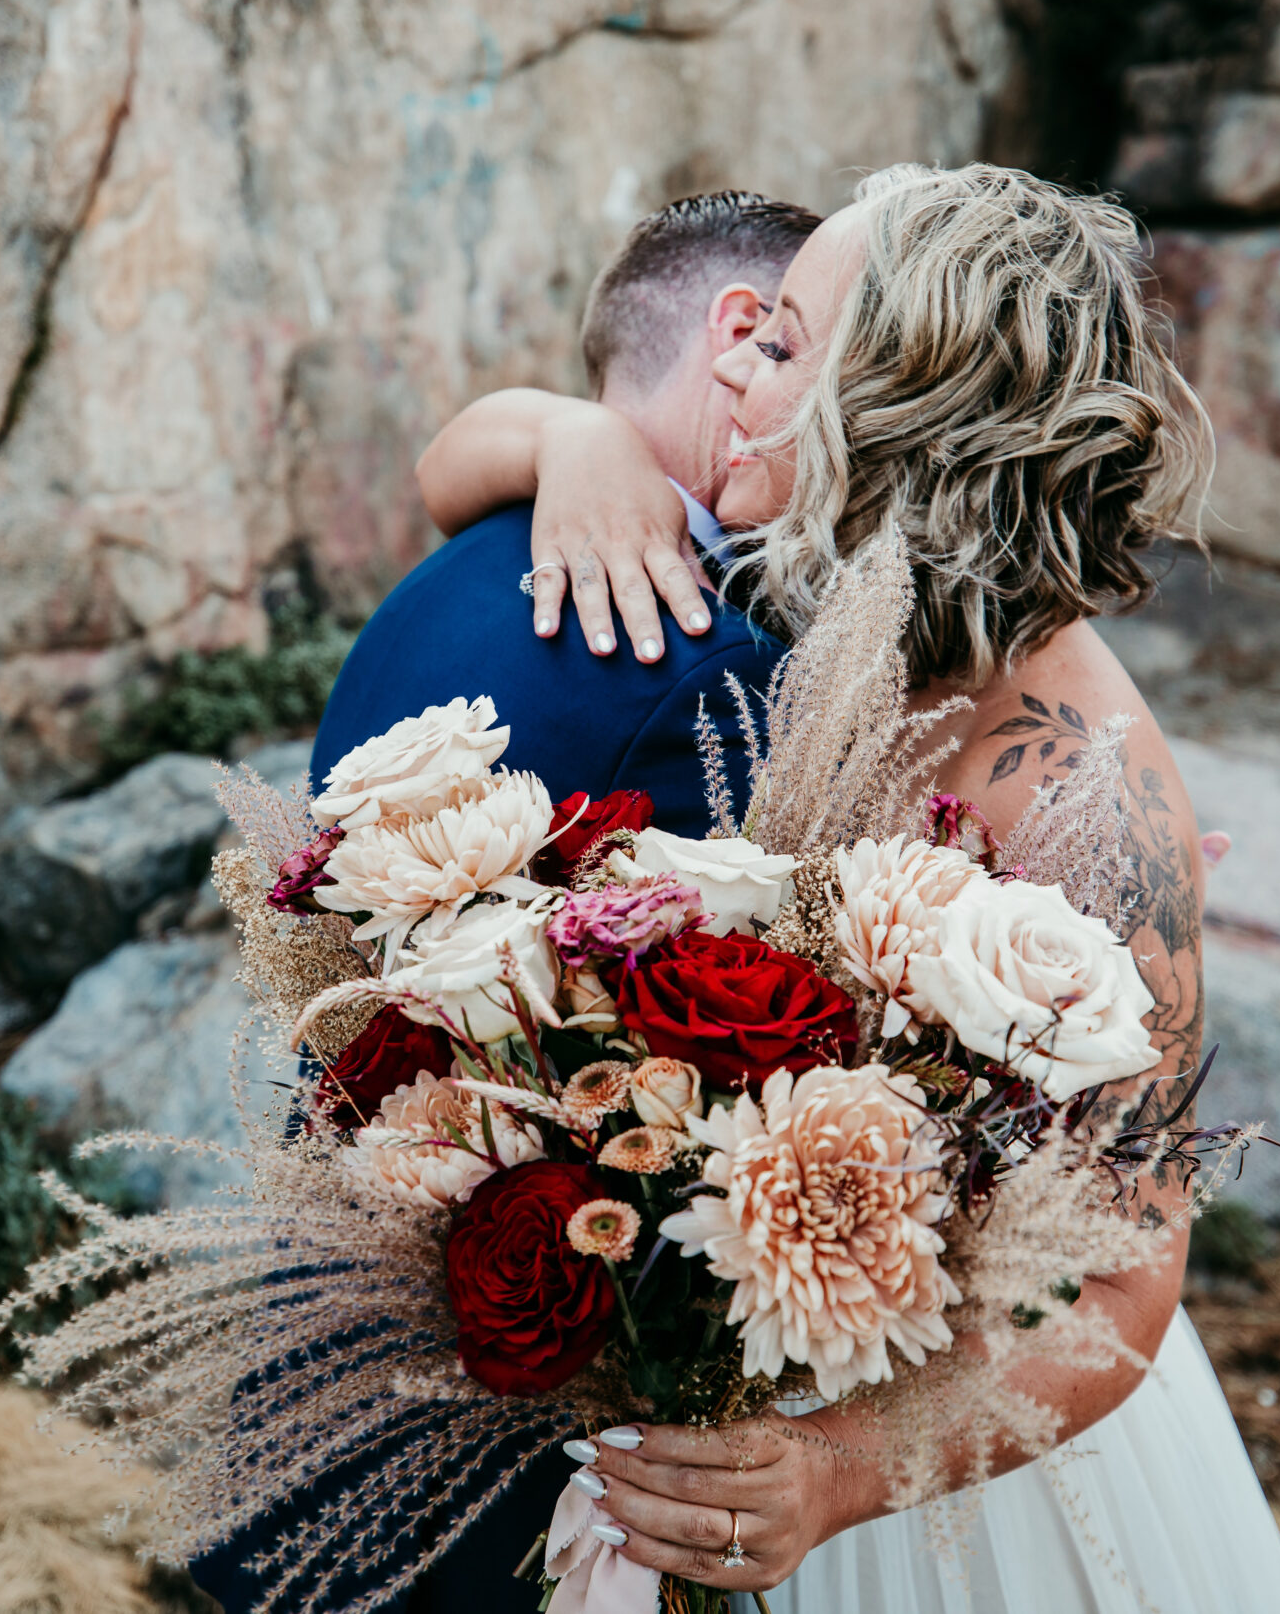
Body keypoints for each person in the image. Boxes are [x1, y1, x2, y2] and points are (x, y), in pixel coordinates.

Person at [412, 163, 1280, 1613]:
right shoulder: (795, 559)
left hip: (923, 1452)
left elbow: (1126, 1286)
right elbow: (452, 463)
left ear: (889, 407)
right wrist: (573, 436)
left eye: (782, 345)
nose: (736, 365)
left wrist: (832, 1475)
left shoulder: (1085, 797)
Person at [190, 190, 818, 1614]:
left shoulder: (455, 569)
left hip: (325, 1298)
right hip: (514, 1381)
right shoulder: (699, 662)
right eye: (822, 357)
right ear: (740, 339)